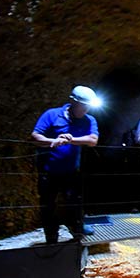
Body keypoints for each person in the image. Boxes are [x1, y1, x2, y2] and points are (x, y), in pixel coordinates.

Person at [32, 86, 100, 245]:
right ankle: (51, 237)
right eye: (83, 106)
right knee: (48, 204)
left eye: (88, 106)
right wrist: (53, 141)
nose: (86, 109)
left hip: (71, 172)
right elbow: (35, 136)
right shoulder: (52, 115)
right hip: (48, 172)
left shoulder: (89, 120)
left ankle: (77, 233)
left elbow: (92, 140)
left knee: (75, 203)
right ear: (73, 102)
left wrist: (70, 139)